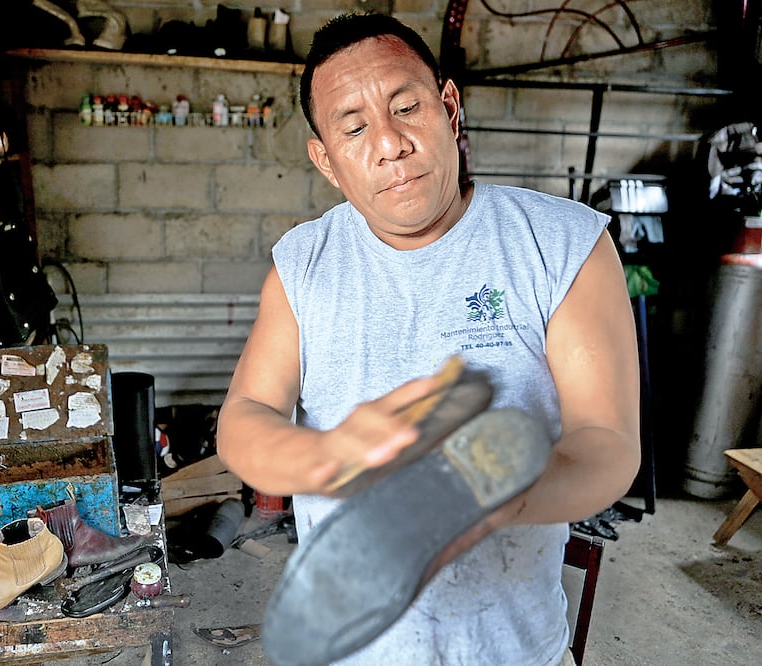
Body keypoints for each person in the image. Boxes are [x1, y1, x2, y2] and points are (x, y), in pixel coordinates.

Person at [216, 11, 641, 666]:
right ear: (326, 161)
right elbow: (246, 418)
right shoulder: (304, 262)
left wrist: (492, 496)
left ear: (447, 106)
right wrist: (326, 458)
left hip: (514, 652)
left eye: (405, 107)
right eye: (354, 128)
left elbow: (606, 444)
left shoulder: (562, 245)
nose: (388, 144)